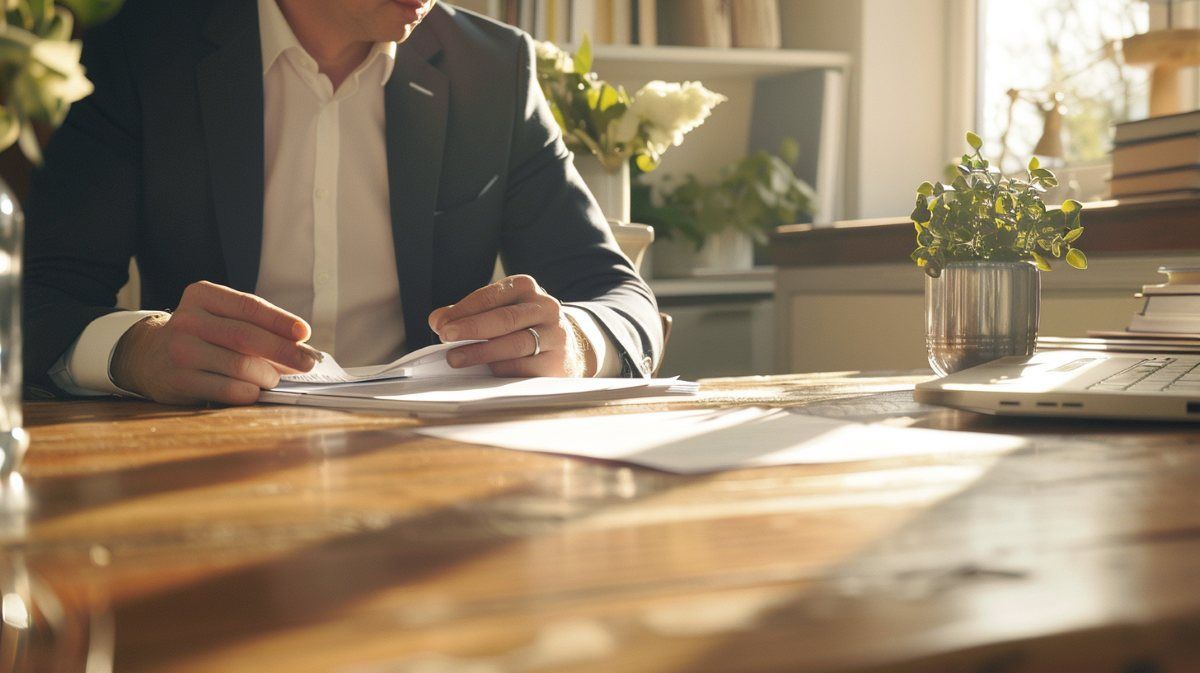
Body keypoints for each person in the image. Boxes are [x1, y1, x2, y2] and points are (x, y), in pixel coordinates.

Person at [24, 0, 662, 405]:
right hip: (196, 453)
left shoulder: (494, 70)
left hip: (423, 466)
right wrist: (138, 351)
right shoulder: (136, 49)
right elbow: (39, 297)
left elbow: (623, 299)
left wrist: (575, 342)